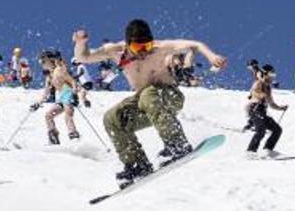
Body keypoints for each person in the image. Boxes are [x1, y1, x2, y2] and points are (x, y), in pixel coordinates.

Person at [72, 19, 227, 185]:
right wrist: (81, 43)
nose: (144, 52)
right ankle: (138, 165)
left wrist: (211, 56)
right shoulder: (116, 51)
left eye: (147, 46)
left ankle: (177, 144)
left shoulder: (159, 48)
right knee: (112, 118)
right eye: (139, 48)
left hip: (169, 97)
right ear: (128, 44)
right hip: (145, 103)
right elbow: (84, 57)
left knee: (148, 94)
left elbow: (194, 45)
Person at [32, 50, 90, 144]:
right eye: (40, 62)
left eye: (43, 61)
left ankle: (73, 135)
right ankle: (53, 137)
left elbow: (73, 82)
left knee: (68, 115)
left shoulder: (60, 70)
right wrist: (38, 104)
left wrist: (76, 95)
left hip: (69, 94)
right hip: (62, 98)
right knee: (48, 116)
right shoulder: (49, 77)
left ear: (51, 60)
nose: (41, 64)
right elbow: (46, 94)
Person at [245, 64, 288, 157]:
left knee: (277, 130)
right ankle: (250, 151)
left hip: (262, 111)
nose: (272, 78)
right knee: (261, 130)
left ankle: (268, 149)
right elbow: (253, 92)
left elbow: (271, 103)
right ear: (266, 74)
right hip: (255, 109)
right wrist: (261, 95)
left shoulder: (268, 87)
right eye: (271, 75)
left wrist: (281, 108)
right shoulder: (259, 82)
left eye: (274, 75)